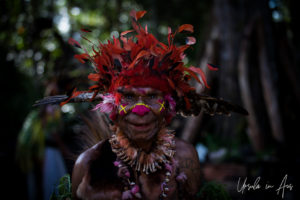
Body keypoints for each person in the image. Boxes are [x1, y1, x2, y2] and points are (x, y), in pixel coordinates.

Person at [35, 10, 247, 200]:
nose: (140, 110)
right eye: (127, 97)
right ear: (113, 107)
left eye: (153, 97)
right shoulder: (87, 164)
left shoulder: (185, 159)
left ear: (170, 105)